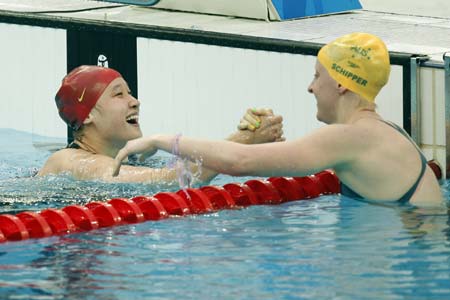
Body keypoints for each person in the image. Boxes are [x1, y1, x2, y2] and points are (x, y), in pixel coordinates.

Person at [112, 32, 444, 207]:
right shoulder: (385, 131)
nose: (310, 87)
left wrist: (160, 140)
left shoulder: (349, 137)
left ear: (342, 83)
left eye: (317, 75)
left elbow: (240, 162)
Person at [38, 65, 284, 184]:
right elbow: (168, 181)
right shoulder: (70, 161)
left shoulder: (130, 159)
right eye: (118, 94)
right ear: (88, 114)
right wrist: (242, 141)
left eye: (130, 92)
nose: (135, 102)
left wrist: (251, 145)